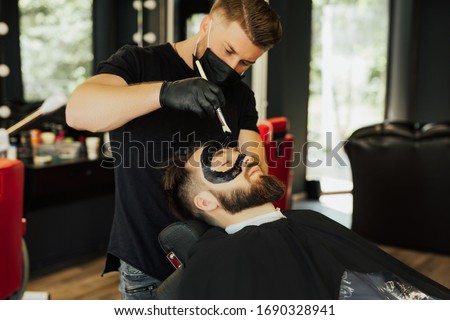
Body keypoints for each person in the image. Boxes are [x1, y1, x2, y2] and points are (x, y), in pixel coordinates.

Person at [65, 0, 282, 299]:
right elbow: (78, 113)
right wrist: (164, 92)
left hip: (218, 256)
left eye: (246, 62)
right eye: (229, 51)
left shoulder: (241, 95)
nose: (233, 68)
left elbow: (255, 170)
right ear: (206, 26)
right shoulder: (139, 63)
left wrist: (248, 166)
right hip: (147, 263)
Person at [161, 143, 450, 299]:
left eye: (240, 155)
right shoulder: (222, 258)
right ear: (206, 202)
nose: (247, 160)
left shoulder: (306, 220)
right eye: (225, 164)